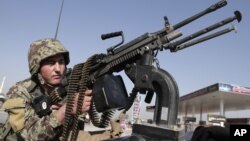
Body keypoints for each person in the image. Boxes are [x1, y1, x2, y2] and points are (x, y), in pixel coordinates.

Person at [0, 38, 92, 141]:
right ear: (37, 68)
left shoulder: (69, 88)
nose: (58, 69)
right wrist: (66, 110)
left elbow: (78, 126)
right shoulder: (19, 92)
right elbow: (28, 136)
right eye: (51, 63)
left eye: (61, 62)